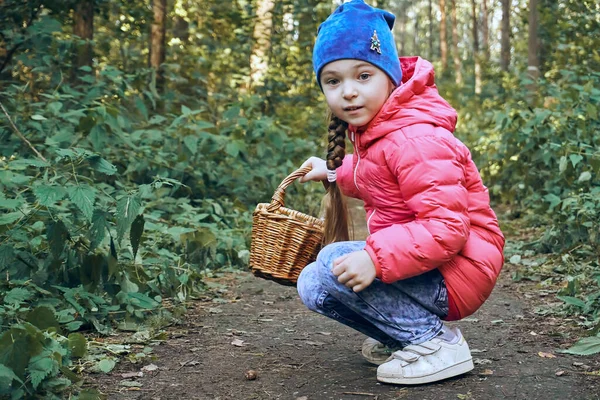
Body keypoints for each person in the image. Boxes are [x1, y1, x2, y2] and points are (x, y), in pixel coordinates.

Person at [295, 0, 505, 385]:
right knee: (313, 283)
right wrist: (329, 171)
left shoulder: (414, 138)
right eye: (333, 81)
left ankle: (435, 343)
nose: (349, 93)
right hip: (427, 264)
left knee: (331, 263)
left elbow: (446, 228)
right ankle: (401, 336)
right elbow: (372, 177)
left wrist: (375, 258)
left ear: (390, 76)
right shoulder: (380, 132)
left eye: (363, 76)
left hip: (458, 268)